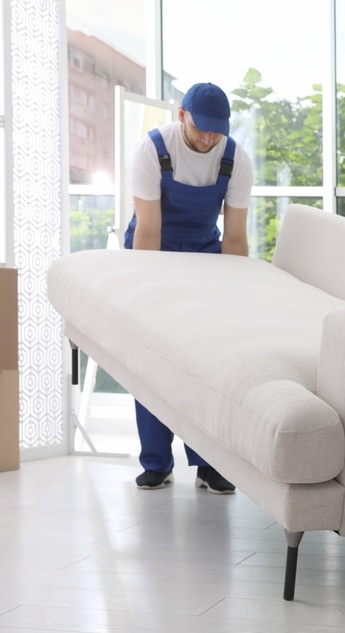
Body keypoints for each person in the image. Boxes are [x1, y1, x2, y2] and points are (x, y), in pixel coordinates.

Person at [124, 81, 254, 494]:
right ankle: (157, 462)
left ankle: (210, 464)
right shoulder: (152, 151)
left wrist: (236, 297)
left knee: (207, 361)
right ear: (182, 115)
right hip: (153, 247)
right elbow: (148, 228)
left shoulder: (236, 159)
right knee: (152, 355)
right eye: (201, 128)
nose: (209, 137)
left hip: (203, 253)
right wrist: (145, 295)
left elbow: (234, 237)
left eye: (218, 129)